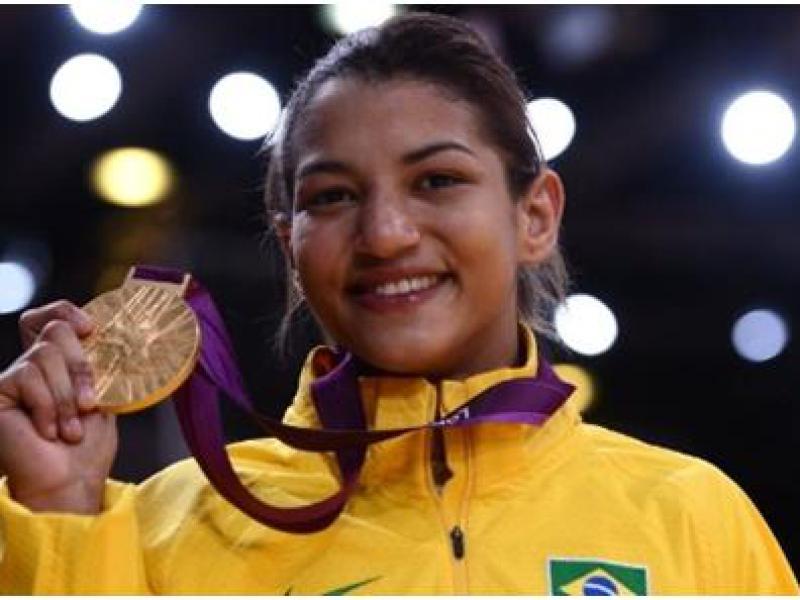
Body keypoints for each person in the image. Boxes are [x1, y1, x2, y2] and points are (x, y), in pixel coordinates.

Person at [0, 12, 796, 595]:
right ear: (290, 246)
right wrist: (59, 512)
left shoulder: (691, 519)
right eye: (333, 196)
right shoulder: (171, 527)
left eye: (437, 181)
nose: (384, 234)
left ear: (535, 216)